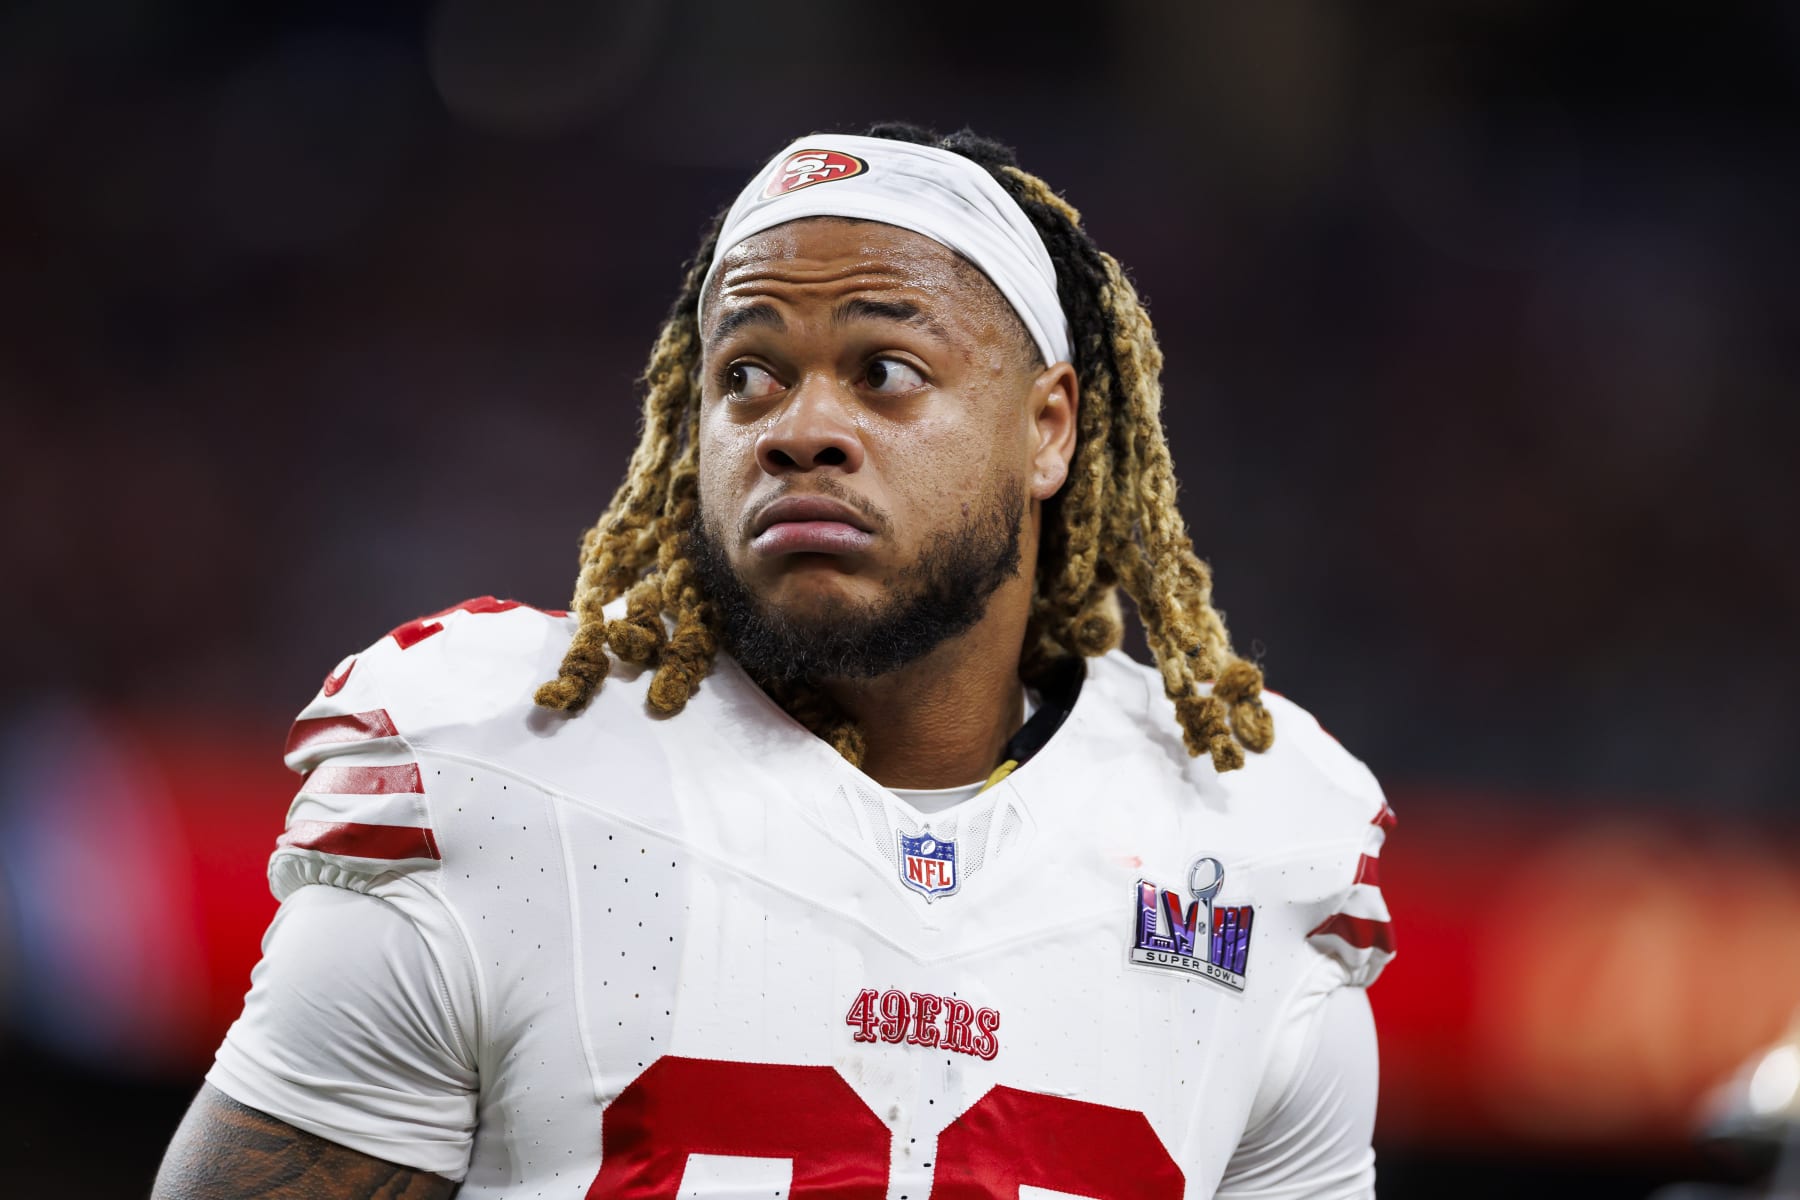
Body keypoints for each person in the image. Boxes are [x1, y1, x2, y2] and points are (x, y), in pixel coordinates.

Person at [154, 124, 1397, 1199]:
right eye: (746, 376)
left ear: (1048, 428)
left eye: (886, 373)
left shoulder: (1261, 846)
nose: (803, 430)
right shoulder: (504, 777)